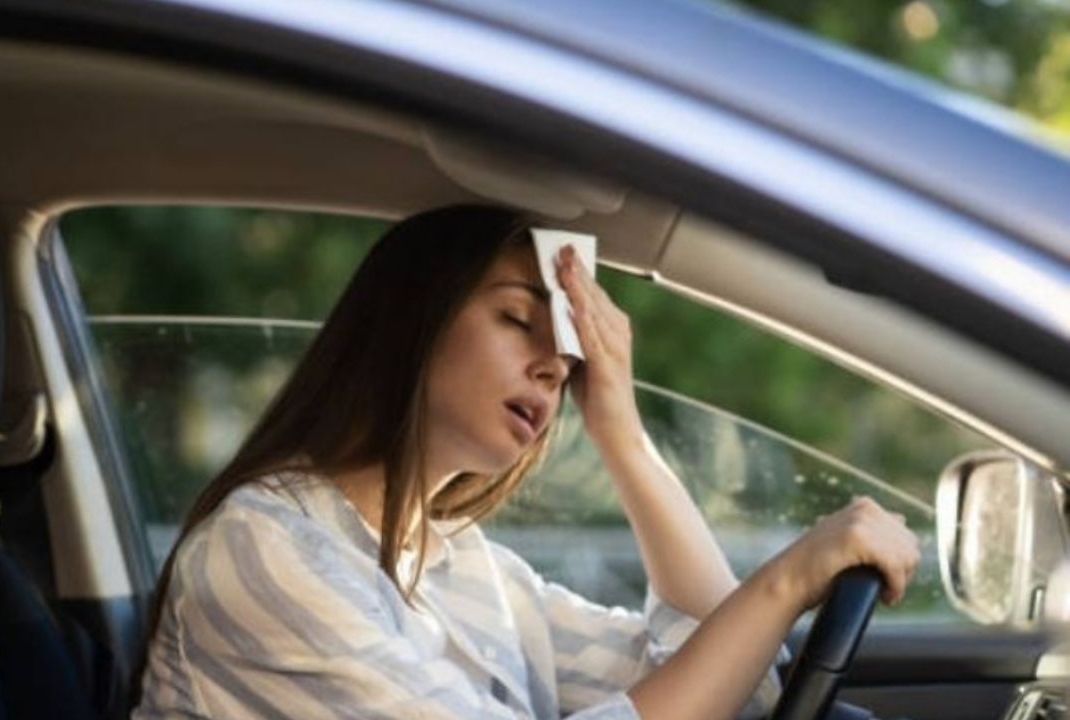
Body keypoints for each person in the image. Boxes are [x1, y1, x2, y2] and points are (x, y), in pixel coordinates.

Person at [132, 205, 920, 720]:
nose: (554, 364)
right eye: (517, 317)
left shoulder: (468, 572)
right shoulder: (263, 550)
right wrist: (788, 579)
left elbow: (737, 687)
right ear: (412, 322)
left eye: (569, 352)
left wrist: (622, 434)